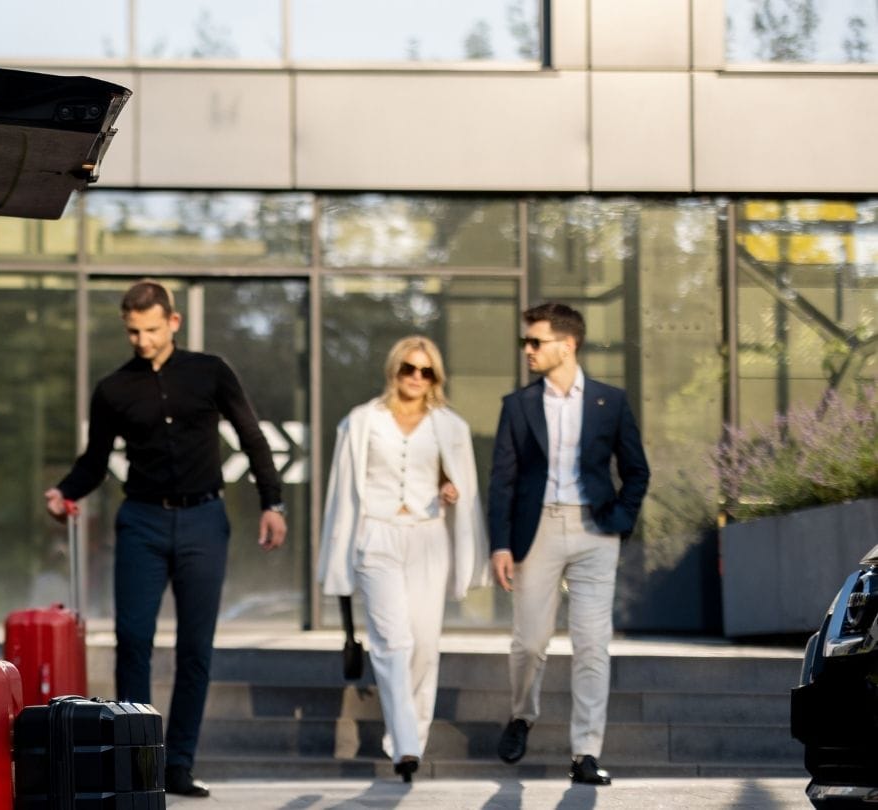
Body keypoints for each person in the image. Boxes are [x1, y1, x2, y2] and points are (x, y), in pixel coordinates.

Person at [43, 280, 287, 798]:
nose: (143, 340)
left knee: (196, 648)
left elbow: (251, 435)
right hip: (142, 523)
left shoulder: (211, 372)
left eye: (151, 329)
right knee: (133, 641)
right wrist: (63, 491)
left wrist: (273, 502)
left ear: (173, 323)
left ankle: (178, 765)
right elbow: (94, 460)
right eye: (133, 331)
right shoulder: (113, 389)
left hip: (204, 521)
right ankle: (137, 767)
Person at [487, 302, 649, 786]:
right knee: (529, 642)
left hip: (595, 533)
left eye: (535, 341)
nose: (528, 350)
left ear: (568, 344)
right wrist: (499, 545)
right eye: (526, 342)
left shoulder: (610, 401)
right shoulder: (517, 405)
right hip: (535, 534)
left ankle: (585, 753)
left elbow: (636, 470)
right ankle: (522, 714)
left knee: (592, 646)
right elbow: (503, 482)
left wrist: (618, 520)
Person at [314, 336, 487, 783]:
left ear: (436, 377)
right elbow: (342, 491)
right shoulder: (362, 421)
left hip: (429, 538)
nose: (416, 377)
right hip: (377, 536)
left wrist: (451, 490)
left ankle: (409, 737)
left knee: (425, 645)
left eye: (425, 371)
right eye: (408, 368)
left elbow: (459, 484)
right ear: (394, 371)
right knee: (393, 642)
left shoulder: (449, 426)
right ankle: (406, 744)